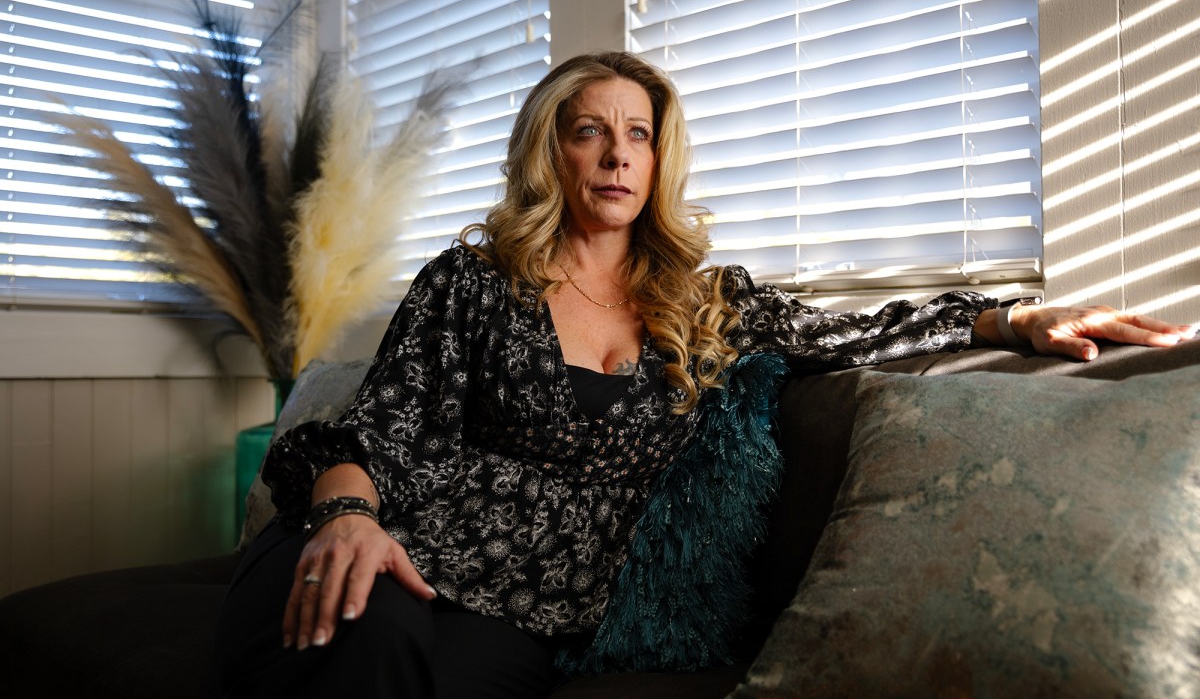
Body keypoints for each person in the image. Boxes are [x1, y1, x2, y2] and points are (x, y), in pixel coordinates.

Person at [215, 51, 1194, 698]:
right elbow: (374, 430)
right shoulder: (472, 281)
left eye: (638, 132)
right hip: (396, 538)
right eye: (588, 129)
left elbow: (854, 336)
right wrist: (350, 519)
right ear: (550, 148)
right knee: (359, 641)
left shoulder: (710, 299)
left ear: (660, 157)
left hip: (537, 600)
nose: (615, 154)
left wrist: (1016, 316)